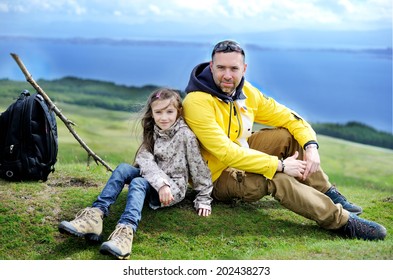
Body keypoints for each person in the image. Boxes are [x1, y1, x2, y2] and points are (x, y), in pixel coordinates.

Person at [182, 39, 386, 241]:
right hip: (214, 176)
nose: (227, 75)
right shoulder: (196, 102)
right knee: (275, 177)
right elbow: (226, 152)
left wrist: (311, 145)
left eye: (234, 68)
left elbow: (288, 117)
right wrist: (279, 165)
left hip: (242, 152)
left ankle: (326, 191)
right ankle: (342, 221)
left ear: (244, 69)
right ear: (211, 66)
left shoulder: (247, 92)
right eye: (221, 68)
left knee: (289, 136)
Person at [58, 88, 213, 259]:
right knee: (123, 168)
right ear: (152, 113)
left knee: (138, 183)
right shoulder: (152, 130)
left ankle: (125, 232)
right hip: (156, 180)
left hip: (172, 189)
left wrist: (203, 198)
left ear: (179, 111)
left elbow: (198, 167)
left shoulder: (186, 136)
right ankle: (95, 216)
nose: (164, 117)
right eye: (158, 112)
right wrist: (160, 181)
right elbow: (145, 160)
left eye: (169, 111)